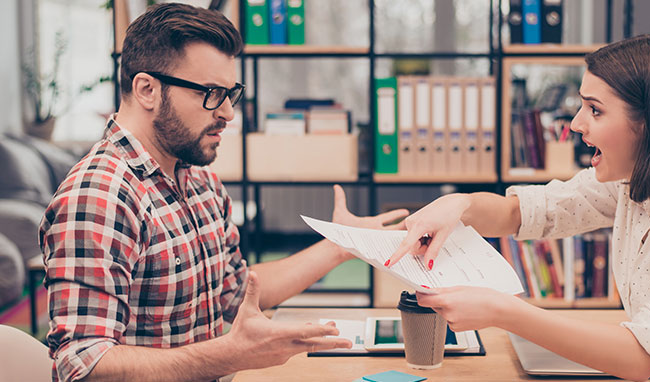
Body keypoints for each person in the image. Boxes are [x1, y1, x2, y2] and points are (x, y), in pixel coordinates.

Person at [39, 4, 407, 382]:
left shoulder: (199, 181)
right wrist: (228, 355)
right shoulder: (100, 196)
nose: (229, 113)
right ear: (147, 89)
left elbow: (231, 292)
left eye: (231, 93)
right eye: (212, 93)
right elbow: (82, 365)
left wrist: (340, 245)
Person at [385, 34, 650, 381]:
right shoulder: (632, 182)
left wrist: (503, 312)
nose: (575, 124)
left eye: (595, 110)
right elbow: (523, 212)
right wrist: (461, 204)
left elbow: (640, 358)